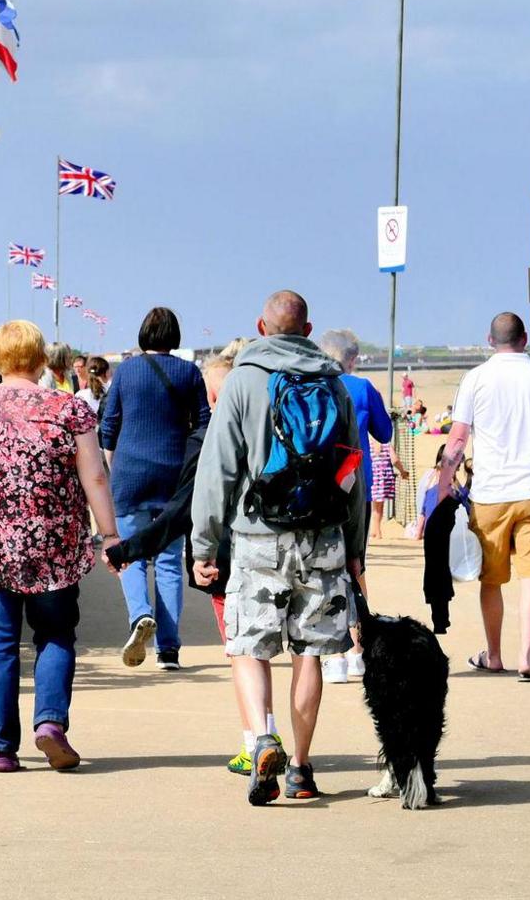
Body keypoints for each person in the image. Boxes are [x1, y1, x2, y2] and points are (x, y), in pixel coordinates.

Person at [192, 290, 363, 805]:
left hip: (257, 535)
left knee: (248, 645)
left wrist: (204, 543)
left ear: (260, 328)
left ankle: (264, 738)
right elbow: (353, 471)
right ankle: (303, 770)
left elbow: (218, 468)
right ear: (308, 332)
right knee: (309, 653)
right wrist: (355, 548)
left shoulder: (244, 380)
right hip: (324, 539)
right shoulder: (335, 384)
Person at [0, 320, 121, 774]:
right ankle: (51, 723)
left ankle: (0, 748)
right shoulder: (69, 409)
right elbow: (94, 476)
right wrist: (110, 533)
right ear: (42, 360)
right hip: (54, 544)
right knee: (55, 634)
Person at [106, 353, 257, 771]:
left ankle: (258, 740)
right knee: (170, 566)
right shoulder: (265, 424)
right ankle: (168, 648)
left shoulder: (205, 435)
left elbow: (185, 511)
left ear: (212, 394)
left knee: (243, 653)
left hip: (221, 554)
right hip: (279, 548)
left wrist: (124, 550)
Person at [435, 311, 530, 683]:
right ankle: (527, 658)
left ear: (489, 340)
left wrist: (444, 484)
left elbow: (458, 439)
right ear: (524, 339)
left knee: (492, 579)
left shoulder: (475, 379)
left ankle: (494, 655)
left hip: (490, 493)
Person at [101, 307, 210, 670]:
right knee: (168, 562)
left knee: (128, 552)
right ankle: (169, 649)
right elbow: (204, 423)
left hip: (130, 473)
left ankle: (139, 616)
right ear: (174, 336)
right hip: (175, 475)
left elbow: (109, 425)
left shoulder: (126, 371)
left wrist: (114, 465)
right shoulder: (190, 372)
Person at [316, 329, 395, 683]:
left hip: (317, 488)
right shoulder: (362, 388)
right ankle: (357, 651)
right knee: (355, 566)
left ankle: (334, 653)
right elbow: (385, 433)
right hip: (356, 487)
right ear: (352, 358)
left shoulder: (312, 384)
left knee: (322, 569)